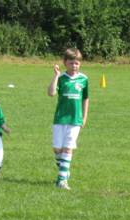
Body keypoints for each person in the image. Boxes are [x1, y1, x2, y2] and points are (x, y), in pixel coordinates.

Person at [47, 48, 89, 190]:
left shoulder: (84, 79)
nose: (74, 66)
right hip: (60, 118)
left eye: (77, 63)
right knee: (57, 149)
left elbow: (85, 98)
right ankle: (64, 171)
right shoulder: (62, 78)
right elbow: (51, 93)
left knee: (68, 148)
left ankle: (62, 180)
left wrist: (84, 116)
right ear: (65, 63)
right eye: (71, 63)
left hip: (75, 119)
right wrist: (56, 76)